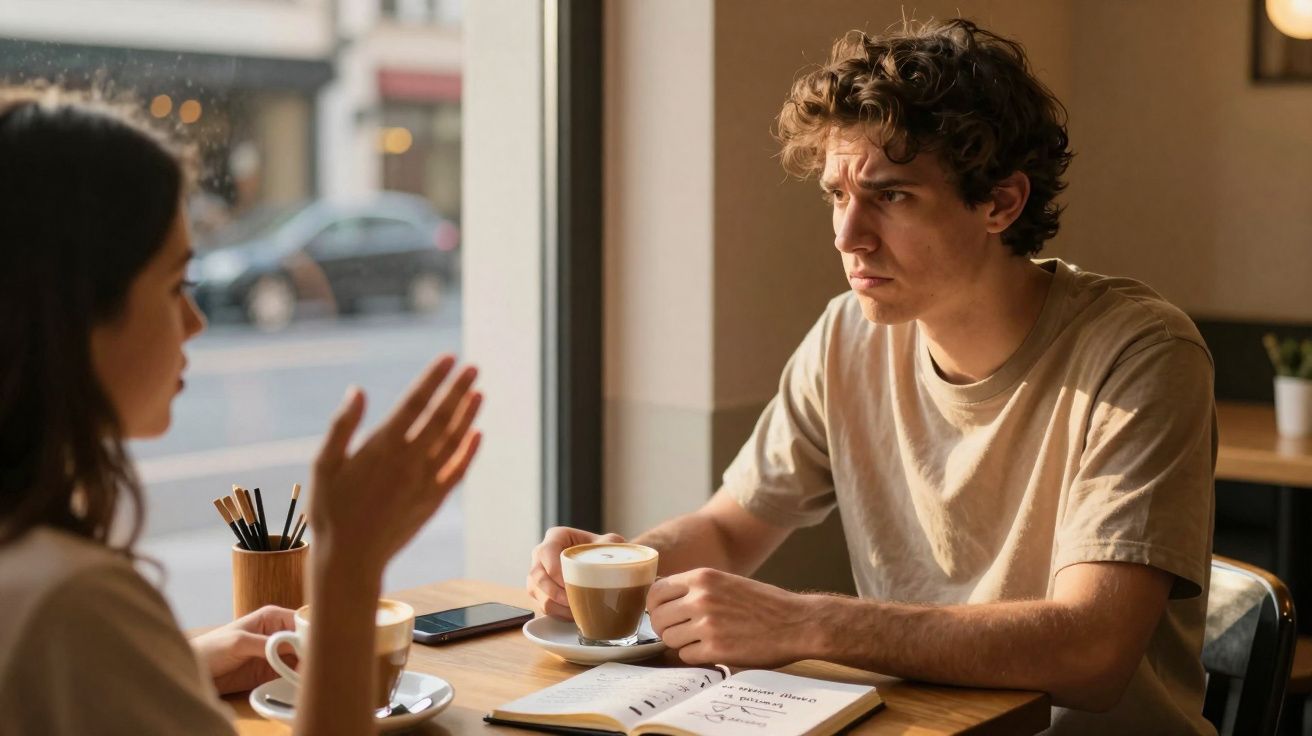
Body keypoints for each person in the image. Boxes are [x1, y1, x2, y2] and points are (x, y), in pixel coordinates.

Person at [528, 19, 1215, 735]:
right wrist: (617, 566)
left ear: (1000, 203)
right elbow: (728, 531)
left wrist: (807, 622)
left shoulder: (1141, 353)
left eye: (891, 196)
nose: (846, 235)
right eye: (836, 195)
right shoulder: (846, 336)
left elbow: (1092, 651)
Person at [0, 87, 483, 736]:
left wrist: (176, 667)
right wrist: (347, 568)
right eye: (176, 285)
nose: (195, 322)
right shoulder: (69, 605)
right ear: (72, 314)